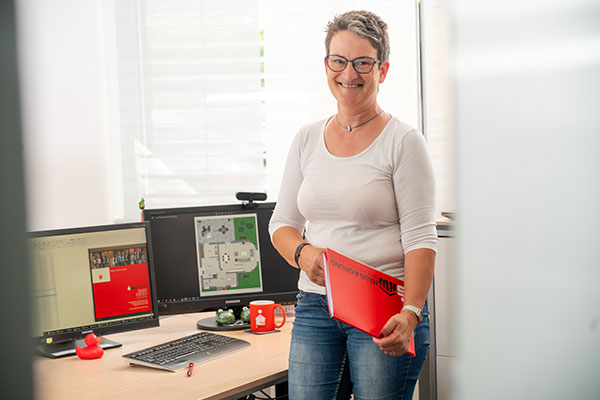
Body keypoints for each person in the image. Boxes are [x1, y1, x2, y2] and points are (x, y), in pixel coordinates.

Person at [268, 10, 438, 400]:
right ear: (326, 65)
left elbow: (421, 238)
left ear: (383, 69)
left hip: (383, 307)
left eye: (363, 62)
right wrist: (303, 253)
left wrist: (410, 313)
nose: (349, 73)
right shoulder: (306, 138)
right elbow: (282, 223)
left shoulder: (404, 142)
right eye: (339, 61)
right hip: (315, 305)